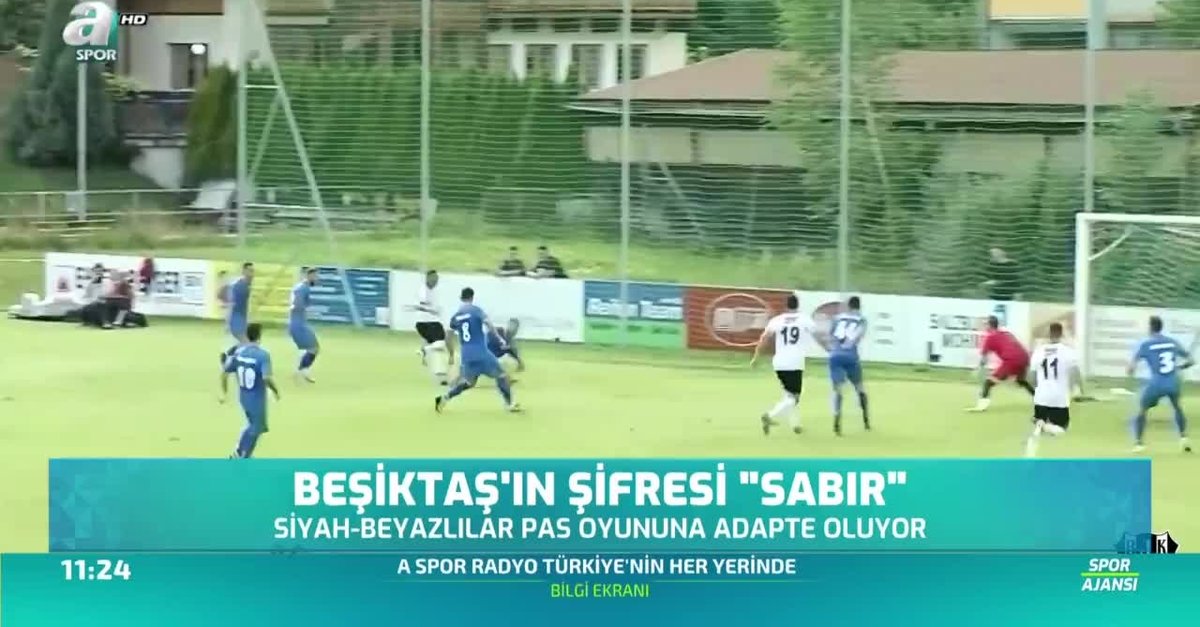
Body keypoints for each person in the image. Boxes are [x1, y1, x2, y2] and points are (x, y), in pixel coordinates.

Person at [436, 287, 520, 413]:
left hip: (466, 355)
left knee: (468, 382)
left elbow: (448, 336)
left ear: (461, 298)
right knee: (501, 375)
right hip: (481, 352)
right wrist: (499, 339)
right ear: (472, 297)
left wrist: (451, 353)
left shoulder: (456, 316)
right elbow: (489, 324)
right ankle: (509, 404)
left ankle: (445, 398)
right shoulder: (476, 310)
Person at [750, 294, 820, 436]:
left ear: (786, 305)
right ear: (798, 305)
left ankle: (796, 425)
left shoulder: (777, 320)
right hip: (795, 362)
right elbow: (818, 335)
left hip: (779, 362)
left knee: (789, 394)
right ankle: (769, 415)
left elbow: (764, 339)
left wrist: (756, 357)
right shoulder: (804, 319)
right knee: (794, 397)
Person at [1128, 316, 1192, 453]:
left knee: (1142, 410)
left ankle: (1139, 443)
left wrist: (1130, 373)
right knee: (1177, 407)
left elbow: (1131, 367)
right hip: (1173, 381)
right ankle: (1183, 438)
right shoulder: (1172, 342)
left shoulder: (1146, 344)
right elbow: (1191, 361)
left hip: (1157, 382)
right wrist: (1179, 368)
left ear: (1150, 327)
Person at [220, 323, 279, 459]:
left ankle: (242, 453)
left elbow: (225, 373)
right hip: (256, 398)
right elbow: (266, 377)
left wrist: (225, 393)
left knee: (254, 426)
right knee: (256, 427)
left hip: (243, 396)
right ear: (259, 336)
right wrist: (275, 391)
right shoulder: (263, 355)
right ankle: (241, 454)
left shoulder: (239, 353)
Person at [1024, 322, 1081, 458]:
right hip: (1059, 398)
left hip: (1041, 397)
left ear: (1049, 334)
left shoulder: (1039, 351)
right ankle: (1043, 425)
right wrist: (1078, 389)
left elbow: (1031, 377)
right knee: (1062, 428)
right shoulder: (1067, 351)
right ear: (1061, 334)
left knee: (1043, 423)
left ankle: (1040, 425)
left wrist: (1038, 388)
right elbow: (1075, 373)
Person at [968, 315, 1034, 412]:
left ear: (990, 325)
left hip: (1011, 360)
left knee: (988, 382)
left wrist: (978, 368)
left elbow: (984, 358)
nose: (984, 327)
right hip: (1024, 358)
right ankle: (1039, 399)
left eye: (986, 324)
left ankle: (981, 406)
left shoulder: (990, 337)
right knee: (1021, 380)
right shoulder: (1007, 333)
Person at [828, 296, 869, 435]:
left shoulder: (837, 318)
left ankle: (837, 418)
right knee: (859, 387)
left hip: (835, 355)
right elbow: (859, 336)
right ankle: (866, 419)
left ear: (848, 306)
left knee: (837, 389)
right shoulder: (862, 319)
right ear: (859, 306)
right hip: (851, 355)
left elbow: (831, 335)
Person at [412, 269, 449, 386]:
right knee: (440, 344)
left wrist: (436, 311)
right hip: (425, 323)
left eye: (437, 278)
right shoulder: (423, 291)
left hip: (434, 322)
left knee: (439, 349)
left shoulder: (436, 291)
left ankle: (440, 374)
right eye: (434, 278)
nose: (436, 281)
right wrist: (431, 310)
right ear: (428, 278)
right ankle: (424, 350)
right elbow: (422, 305)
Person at [289, 268, 320, 383]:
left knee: (307, 349)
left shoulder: (299, 287)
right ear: (310, 275)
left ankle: (300, 372)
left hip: (296, 323)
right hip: (298, 324)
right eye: (315, 276)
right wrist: (303, 309)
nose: (317, 279)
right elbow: (298, 304)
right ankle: (302, 371)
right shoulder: (304, 288)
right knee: (314, 348)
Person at [221, 263, 254, 364]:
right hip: (236, 320)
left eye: (252, 271)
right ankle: (229, 359)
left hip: (242, 320)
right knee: (247, 344)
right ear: (244, 272)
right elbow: (231, 304)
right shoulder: (239, 287)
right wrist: (227, 322)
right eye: (249, 271)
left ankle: (227, 356)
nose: (252, 274)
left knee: (244, 344)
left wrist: (248, 319)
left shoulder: (246, 286)